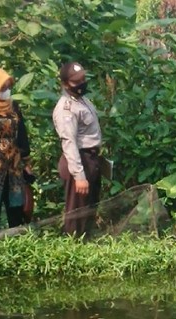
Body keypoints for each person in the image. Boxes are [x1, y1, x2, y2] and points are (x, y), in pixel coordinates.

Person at [53, 62, 103, 236]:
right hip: (78, 162)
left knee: (89, 209)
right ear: (66, 84)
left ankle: (86, 247)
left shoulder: (83, 101)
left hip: (90, 159)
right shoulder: (66, 108)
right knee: (77, 214)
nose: (82, 83)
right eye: (76, 81)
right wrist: (79, 176)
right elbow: (69, 143)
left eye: (83, 79)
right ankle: (73, 250)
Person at [0, 68, 33, 228]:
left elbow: (22, 134)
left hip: (14, 167)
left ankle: (17, 244)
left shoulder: (14, 106)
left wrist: (27, 163)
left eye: (8, 87)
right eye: (3, 88)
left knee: (16, 208)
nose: (7, 91)